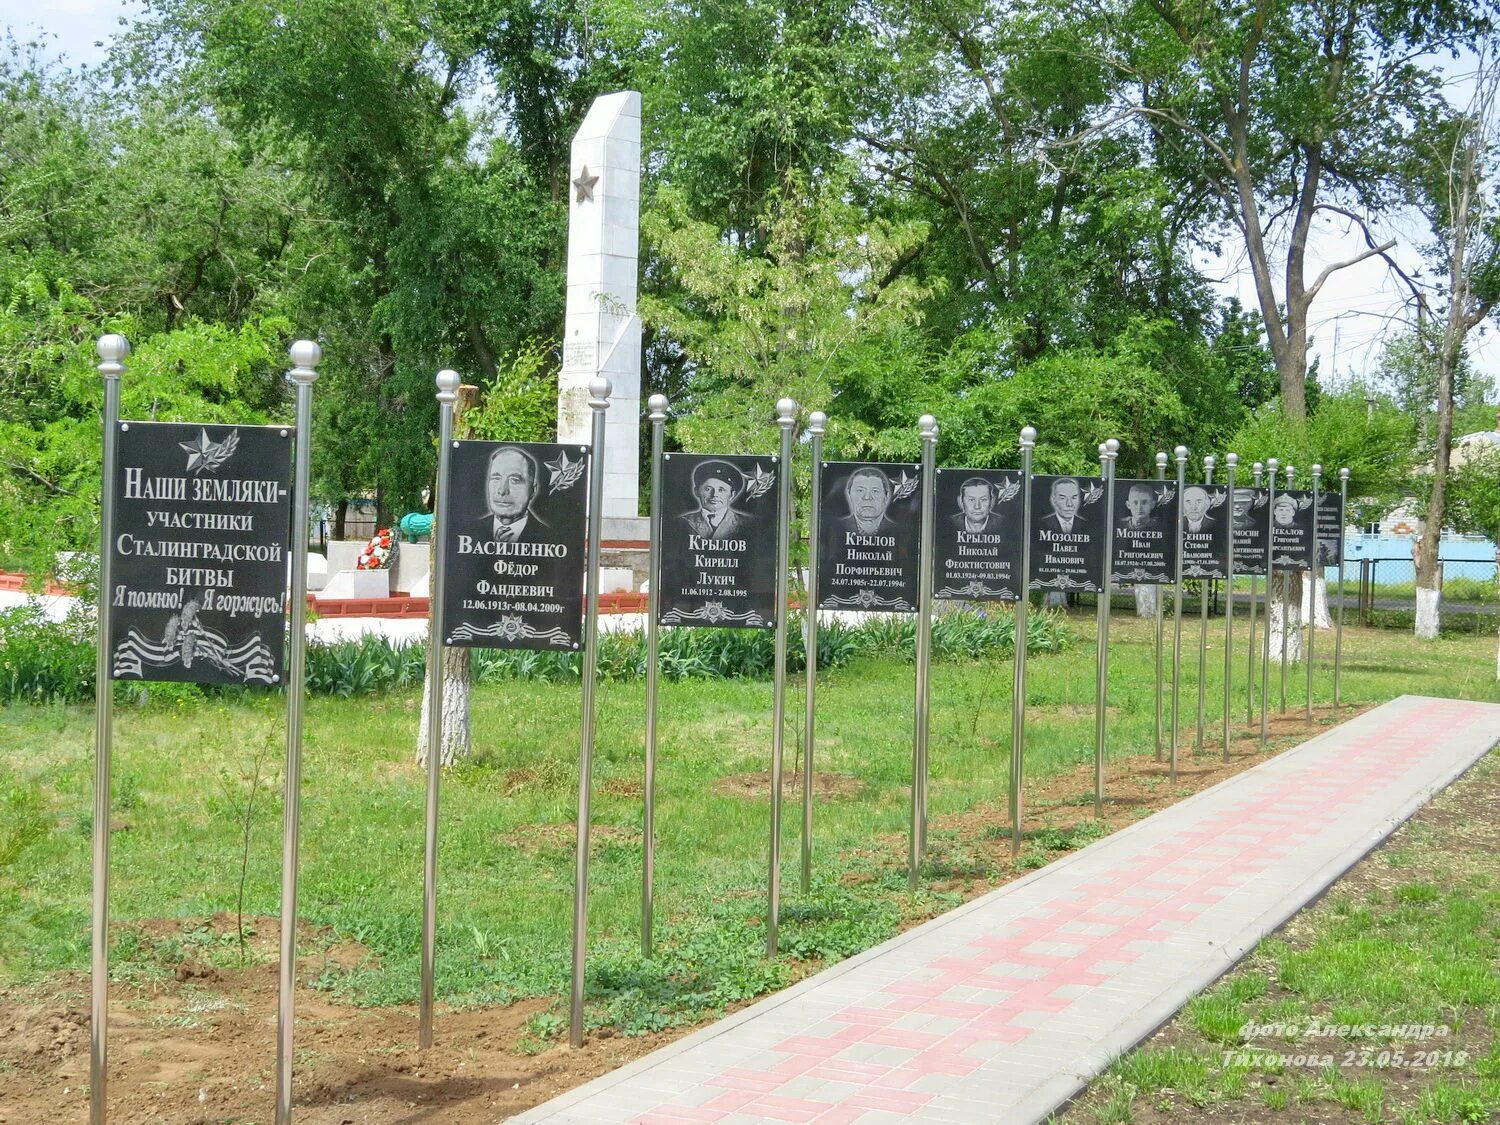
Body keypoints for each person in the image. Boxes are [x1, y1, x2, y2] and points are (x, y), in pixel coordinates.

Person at [476, 445, 550, 542]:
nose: (502, 491)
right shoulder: (468, 532)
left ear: (533, 489)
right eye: (496, 478)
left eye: (514, 480)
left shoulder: (550, 538)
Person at [680, 460, 753, 540]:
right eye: (708, 489)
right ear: (696, 491)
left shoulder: (749, 524)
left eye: (721, 490)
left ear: (732, 495)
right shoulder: (681, 523)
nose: (714, 495)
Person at [836, 466, 900, 535]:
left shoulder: (900, 531)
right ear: (849, 495)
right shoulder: (835, 528)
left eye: (875, 491)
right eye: (860, 490)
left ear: (886, 497)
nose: (867, 497)